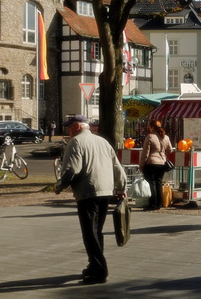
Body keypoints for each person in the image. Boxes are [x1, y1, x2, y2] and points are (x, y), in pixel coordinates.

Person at [54, 115, 127, 285]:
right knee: (97, 231)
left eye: (69, 126)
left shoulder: (76, 142)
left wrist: (60, 186)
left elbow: (72, 169)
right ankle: (93, 265)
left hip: (88, 192)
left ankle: (100, 270)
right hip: (105, 191)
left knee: (89, 233)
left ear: (78, 126)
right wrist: (122, 188)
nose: (68, 130)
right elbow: (117, 166)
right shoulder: (102, 141)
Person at [139, 119, 174, 211]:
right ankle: (159, 203)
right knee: (158, 183)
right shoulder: (165, 137)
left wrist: (141, 165)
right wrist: (163, 156)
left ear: (151, 127)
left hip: (151, 163)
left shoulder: (150, 136)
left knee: (151, 184)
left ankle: (152, 204)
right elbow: (170, 149)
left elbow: (145, 153)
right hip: (162, 163)